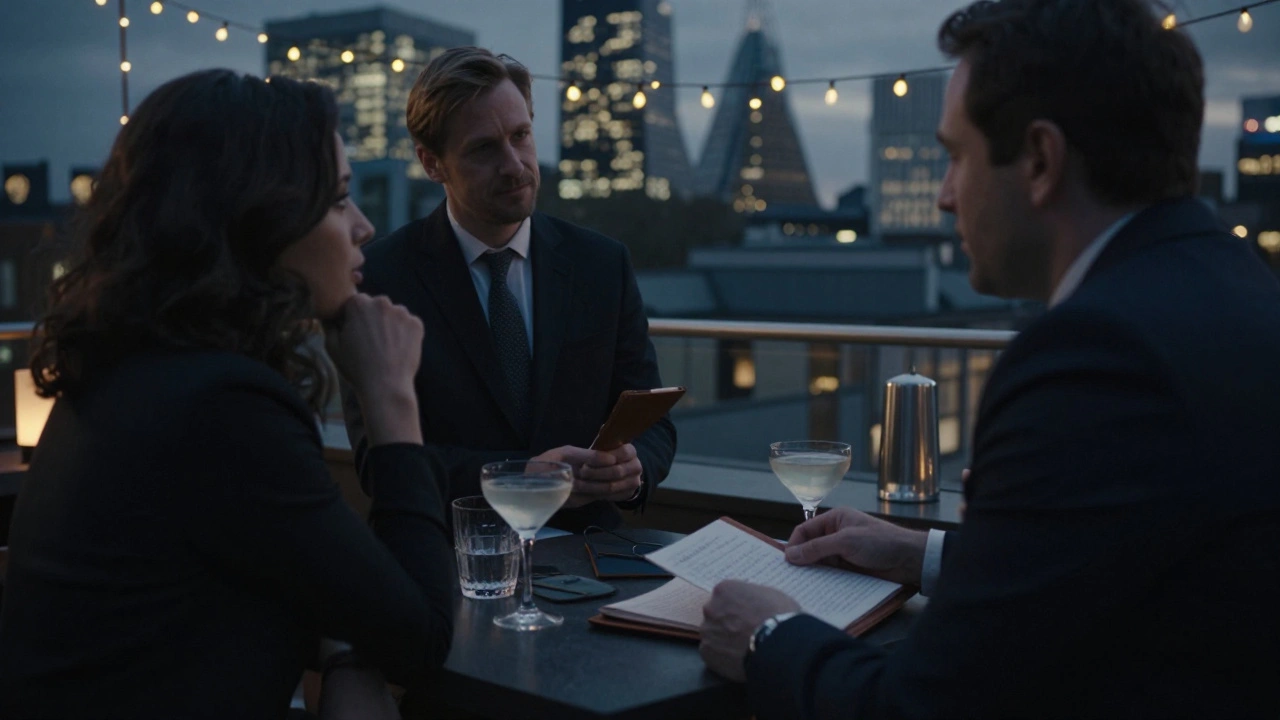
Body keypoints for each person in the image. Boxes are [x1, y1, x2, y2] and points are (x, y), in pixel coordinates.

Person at [698, 0, 1280, 717]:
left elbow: (930, 708)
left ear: (1039, 160)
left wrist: (768, 636)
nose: (943, 196)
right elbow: (1132, 562)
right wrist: (925, 556)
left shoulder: (1092, 356)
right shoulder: (1243, 290)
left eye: (955, 155)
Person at [0, 69, 454, 719]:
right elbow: (424, 636)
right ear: (259, 222)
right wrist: (392, 399)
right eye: (338, 200)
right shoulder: (221, 410)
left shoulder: (127, 375)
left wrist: (347, 651)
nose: (363, 228)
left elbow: (343, 591)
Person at [343, 47, 676, 530]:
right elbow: (382, 462)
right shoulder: (380, 278)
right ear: (431, 163)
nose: (514, 164)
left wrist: (634, 467)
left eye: (521, 136)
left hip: (592, 564)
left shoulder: (602, 264)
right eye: (483, 149)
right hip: (452, 560)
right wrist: (523, 477)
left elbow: (653, 420)